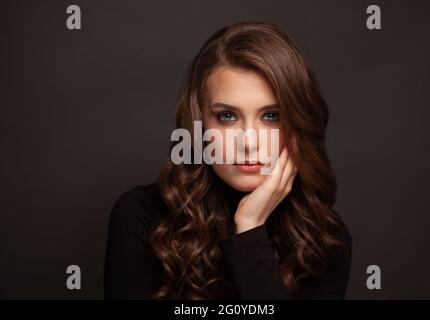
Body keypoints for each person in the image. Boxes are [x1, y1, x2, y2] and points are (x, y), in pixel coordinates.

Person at [104, 21, 352, 300]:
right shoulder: (142, 218)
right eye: (227, 116)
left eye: (271, 116)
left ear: (297, 125)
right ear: (200, 124)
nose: (248, 142)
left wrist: (249, 231)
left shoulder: (324, 238)